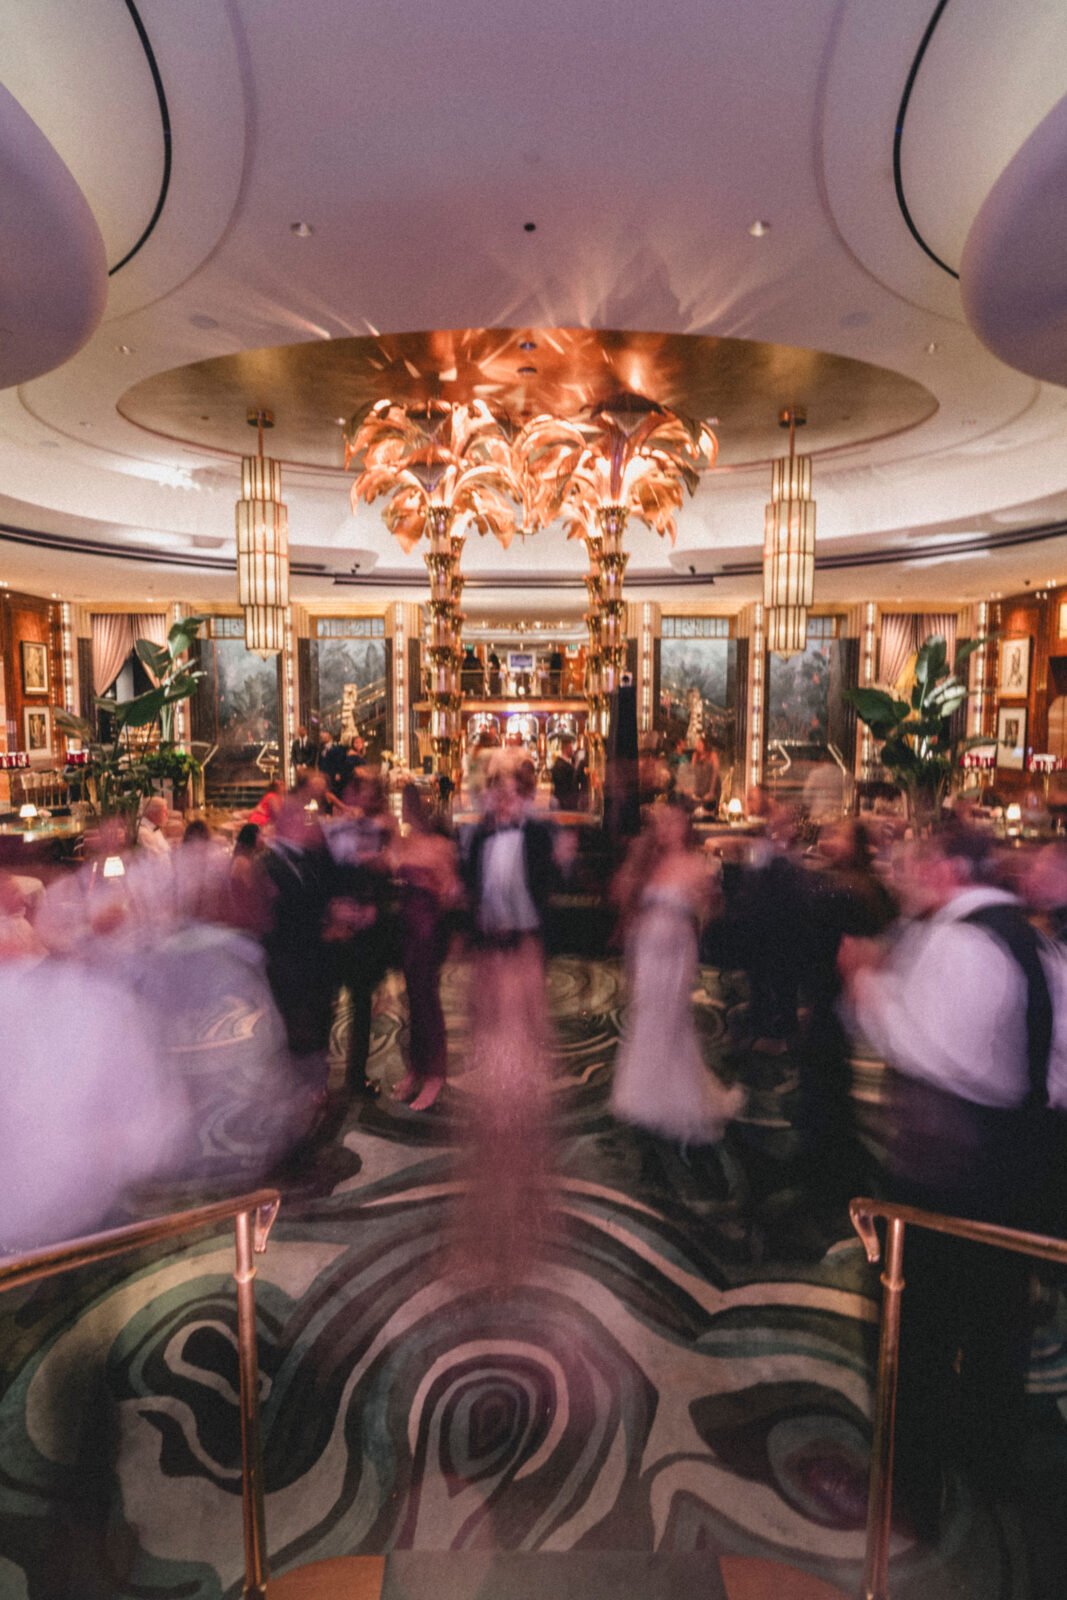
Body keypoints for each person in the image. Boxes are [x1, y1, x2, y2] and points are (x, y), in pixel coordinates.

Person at [839, 825, 1067, 1526]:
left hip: (942, 1177)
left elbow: (920, 1047)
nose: (907, 874)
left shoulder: (957, 945)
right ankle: (990, 1461)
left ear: (944, 868)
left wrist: (865, 982)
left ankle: (910, 1488)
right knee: (997, 1323)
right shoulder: (1038, 945)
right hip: (1017, 1171)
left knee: (916, 1330)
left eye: (918, 862)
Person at [610, 801, 745, 1157]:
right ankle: (645, 1093)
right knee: (646, 1013)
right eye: (663, 823)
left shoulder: (694, 864)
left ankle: (677, 1098)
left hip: (675, 947)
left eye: (674, 823)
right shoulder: (650, 861)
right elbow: (627, 897)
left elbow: (711, 909)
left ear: (685, 828)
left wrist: (693, 916)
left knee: (670, 1019)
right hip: (646, 944)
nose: (667, 829)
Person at [390, 784, 460, 1110]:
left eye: (406, 804)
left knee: (427, 1001)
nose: (403, 810)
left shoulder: (437, 845)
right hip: (406, 928)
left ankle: (434, 1074)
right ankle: (416, 1068)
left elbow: (450, 892)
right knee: (412, 1001)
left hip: (429, 929)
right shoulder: (405, 841)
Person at [550, 738, 580, 811]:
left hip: (563, 801)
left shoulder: (559, 764)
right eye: (571, 748)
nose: (572, 751)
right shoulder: (562, 766)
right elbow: (564, 786)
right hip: (565, 803)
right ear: (566, 749)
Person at [318, 728, 347, 797]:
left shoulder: (337, 748)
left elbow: (340, 761)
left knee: (333, 792)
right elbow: (320, 762)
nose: (323, 738)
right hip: (324, 775)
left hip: (333, 775)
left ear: (330, 737)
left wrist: (338, 772)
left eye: (325, 736)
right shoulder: (321, 749)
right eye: (323, 737)